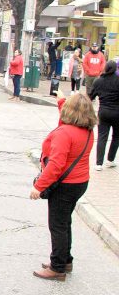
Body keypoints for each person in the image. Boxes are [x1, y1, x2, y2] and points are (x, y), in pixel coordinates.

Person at [30, 94, 96, 280]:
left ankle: (57, 267)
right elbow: (66, 119)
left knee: (57, 225)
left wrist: (39, 186)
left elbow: (56, 165)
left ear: (70, 111)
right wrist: (61, 101)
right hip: (80, 182)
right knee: (65, 223)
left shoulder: (64, 133)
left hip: (64, 185)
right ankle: (65, 260)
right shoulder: (87, 130)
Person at [89, 60, 119, 171]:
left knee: (102, 136)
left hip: (103, 112)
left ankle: (98, 163)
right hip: (117, 113)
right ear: (115, 69)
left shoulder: (99, 81)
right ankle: (110, 160)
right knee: (116, 137)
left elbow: (90, 96)